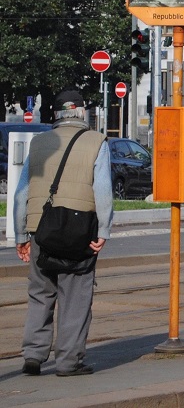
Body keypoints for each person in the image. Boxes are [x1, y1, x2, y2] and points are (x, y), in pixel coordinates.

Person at [12, 89, 114, 377]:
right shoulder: (97, 142)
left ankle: (33, 355)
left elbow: (22, 193)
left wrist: (21, 235)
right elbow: (103, 190)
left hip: (41, 231)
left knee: (40, 293)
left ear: (56, 114)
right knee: (76, 297)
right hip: (79, 232)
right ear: (82, 112)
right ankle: (69, 361)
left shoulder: (39, 143)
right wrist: (104, 229)